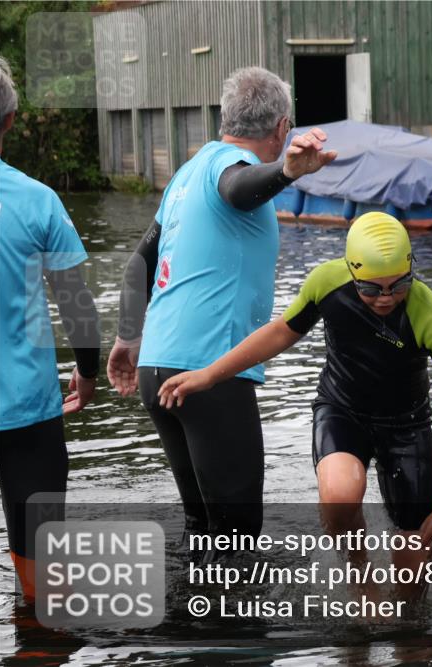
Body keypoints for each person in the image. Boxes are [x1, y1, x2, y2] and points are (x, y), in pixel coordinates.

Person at [157, 212, 432, 597]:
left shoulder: (431, 314)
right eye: (370, 289)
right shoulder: (327, 283)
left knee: (414, 573)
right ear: (350, 271)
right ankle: (360, 575)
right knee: (340, 494)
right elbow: (281, 332)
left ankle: (410, 632)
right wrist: (209, 374)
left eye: (399, 286)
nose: (385, 298)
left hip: (406, 425)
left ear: (413, 268)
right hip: (342, 410)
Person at [107, 66, 335, 550]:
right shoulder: (227, 167)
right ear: (281, 128)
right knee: (236, 538)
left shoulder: (186, 174)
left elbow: (136, 265)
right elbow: (239, 187)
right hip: (208, 371)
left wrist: (128, 339)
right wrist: (289, 171)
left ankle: (191, 621)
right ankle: (232, 626)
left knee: (203, 529)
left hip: (156, 368)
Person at [0, 55, 101, 599]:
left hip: (27, 408)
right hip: (27, 406)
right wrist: (87, 374)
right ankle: (40, 645)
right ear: (10, 120)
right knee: (41, 568)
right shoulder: (38, 201)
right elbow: (76, 303)